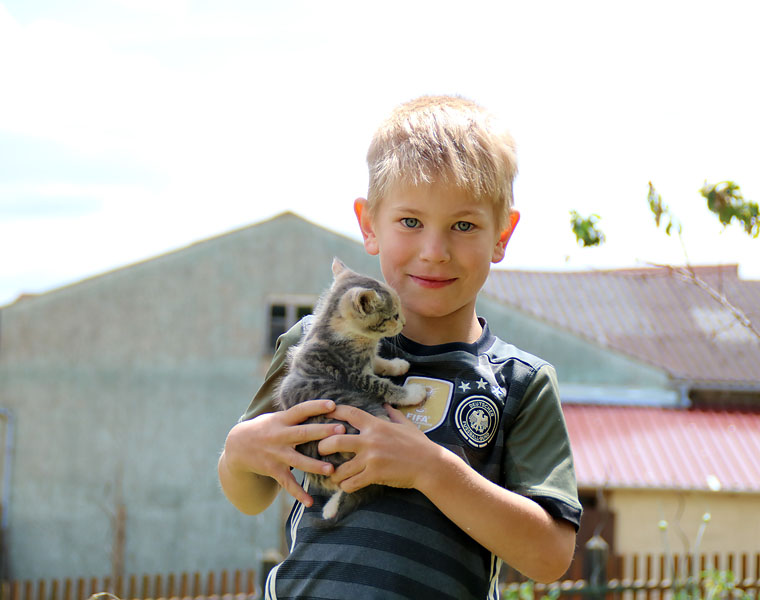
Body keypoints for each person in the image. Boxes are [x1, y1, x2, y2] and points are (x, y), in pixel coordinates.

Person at [218, 95, 582, 600]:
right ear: (369, 224)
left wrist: (430, 469)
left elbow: (550, 556)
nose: (434, 251)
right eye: (411, 222)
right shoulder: (314, 343)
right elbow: (251, 494)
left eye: (464, 225)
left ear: (502, 234)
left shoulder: (520, 383)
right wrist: (239, 452)